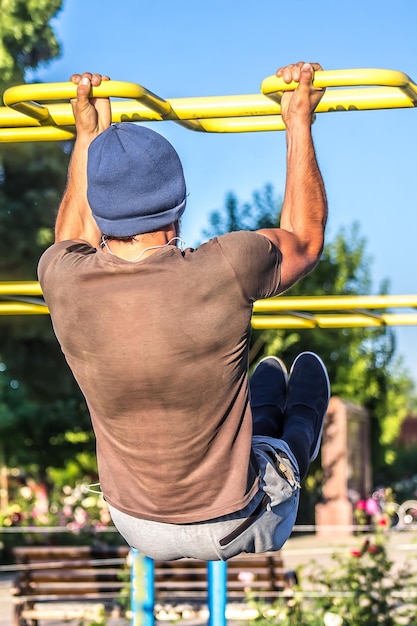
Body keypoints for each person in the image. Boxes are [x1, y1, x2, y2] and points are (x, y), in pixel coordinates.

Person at [38, 61, 330, 561]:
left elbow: (70, 238)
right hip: (239, 522)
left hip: (136, 524)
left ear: (98, 207)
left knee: (255, 400)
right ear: (178, 206)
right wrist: (298, 122)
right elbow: (305, 239)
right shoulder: (226, 266)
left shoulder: (61, 277)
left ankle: (264, 418)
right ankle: (300, 433)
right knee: (290, 424)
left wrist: (87, 137)